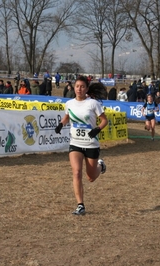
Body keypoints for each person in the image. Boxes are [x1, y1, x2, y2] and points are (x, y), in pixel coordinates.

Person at [54, 76, 108, 215]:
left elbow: (104, 120)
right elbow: (67, 117)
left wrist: (97, 129)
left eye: (82, 86)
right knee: (77, 173)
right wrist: (61, 124)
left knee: (91, 177)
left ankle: (100, 166)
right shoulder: (70, 103)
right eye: (77, 86)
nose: (79, 89)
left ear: (87, 89)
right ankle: (80, 205)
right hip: (75, 143)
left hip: (91, 144)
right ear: (74, 88)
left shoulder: (93, 103)